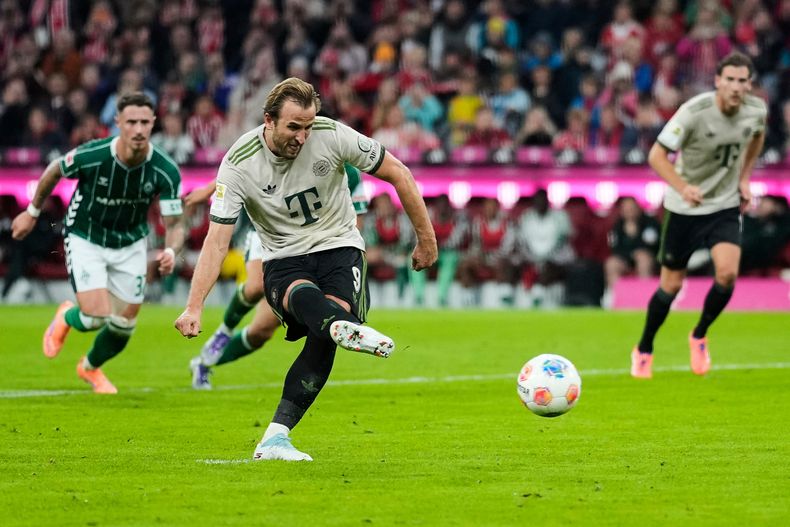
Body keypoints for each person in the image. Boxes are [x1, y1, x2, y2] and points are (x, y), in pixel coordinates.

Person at [174, 77, 437, 462]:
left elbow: (398, 171)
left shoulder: (331, 135)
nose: (302, 136)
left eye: (308, 126)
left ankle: (275, 438)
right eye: (293, 127)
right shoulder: (239, 162)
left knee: (324, 333)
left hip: (340, 248)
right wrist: (194, 305)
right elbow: (217, 241)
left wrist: (426, 239)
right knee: (295, 299)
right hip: (282, 256)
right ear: (269, 121)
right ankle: (337, 326)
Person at [11, 92, 184, 394]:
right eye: (132, 122)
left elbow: (175, 223)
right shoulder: (95, 154)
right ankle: (66, 315)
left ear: (153, 123)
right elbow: (54, 170)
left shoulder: (165, 169)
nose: (139, 129)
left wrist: (170, 249)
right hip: (85, 236)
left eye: (145, 122)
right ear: (118, 123)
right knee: (96, 317)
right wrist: (31, 212)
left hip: (129, 242)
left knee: (124, 325)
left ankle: (89, 368)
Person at [631, 52, 766, 379]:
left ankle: (700, 334)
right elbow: (656, 154)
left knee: (727, 275)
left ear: (750, 84)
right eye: (729, 79)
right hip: (684, 207)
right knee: (671, 286)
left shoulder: (756, 111)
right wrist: (683, 187)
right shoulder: (694, 112)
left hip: (723, 204)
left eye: (742, 80)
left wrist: (744, 178)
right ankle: (644, 347)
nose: (735, 87)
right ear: (718, 81)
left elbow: (756, 138)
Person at [186, 162, 370, 390]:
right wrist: (211, 187)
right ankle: (223, 332)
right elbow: (250, 164)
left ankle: (203, 363)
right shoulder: (297, 147)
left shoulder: (348, 171)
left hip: (312, 247)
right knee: (254, 286)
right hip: (269, 231)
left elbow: (356, 219)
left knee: (261, 330)